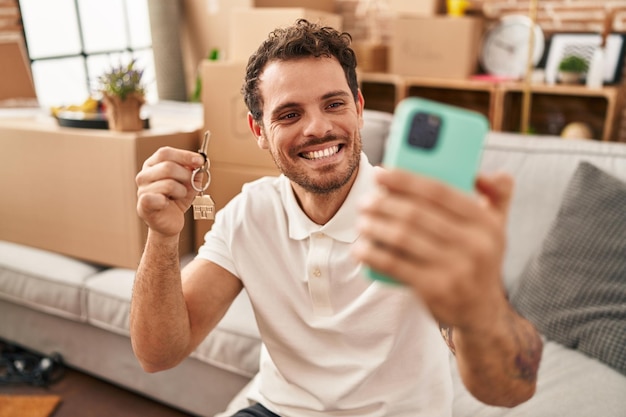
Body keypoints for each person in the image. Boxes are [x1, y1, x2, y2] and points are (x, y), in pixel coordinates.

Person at [131, 19, 543, 417]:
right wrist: (162, 236)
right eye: (289, 114)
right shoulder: (248, 213)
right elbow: (158, 354)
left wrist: (475, 304)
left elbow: (511, 390)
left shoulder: (417, 214)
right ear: (258, 131)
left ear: (359, 108)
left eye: (334, 104)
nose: (318, 128)